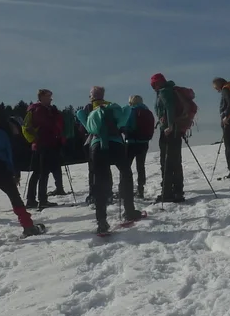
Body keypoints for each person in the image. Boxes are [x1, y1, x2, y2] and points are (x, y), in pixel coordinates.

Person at [77, 86, 142, 235]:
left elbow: (87, 127)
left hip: (97, 146)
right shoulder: (113, 107)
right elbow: (124, 120)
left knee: (100, 181)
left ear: (91, 96)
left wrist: (81, 115)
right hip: (117, 145)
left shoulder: (91, 111)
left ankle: (102, 222)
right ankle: (129, 210)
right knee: (126, 174)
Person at [0, 118, 46, 246]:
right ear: (13, 125)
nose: (18, 131)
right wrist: (15, 173)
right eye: (18, 128)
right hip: (0, 169)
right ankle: (28, 227)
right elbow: (9, 155)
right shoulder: (3, 134)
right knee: (15, 198)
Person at [22, 89, 63, 210]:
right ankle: (42, 200)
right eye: (48, 97)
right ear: (42, 97)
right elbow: (48, 125)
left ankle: (31, 199)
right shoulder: (40, 110)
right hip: (45, 144)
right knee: (43, 172)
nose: (51, 99)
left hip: (39, 144)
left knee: (37, 172)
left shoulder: (34, 109)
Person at [150, 73, 186, 203]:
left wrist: (169, 126)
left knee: (166, 162)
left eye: (154, 84)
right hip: (176, 131)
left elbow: (170, 108)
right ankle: (178, 192)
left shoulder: (164, 92)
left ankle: (167, 193)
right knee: (176, 161)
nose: (153, 87)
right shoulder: (171, 90)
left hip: (168, 131)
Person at [123, 94, 155, 199]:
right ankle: (140, 189)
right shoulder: (147, 111)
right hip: (144, 143)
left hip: (131, 142)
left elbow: (127, 126)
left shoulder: (131, 111)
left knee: (126, 166)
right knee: (140, 166)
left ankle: (127, 189)